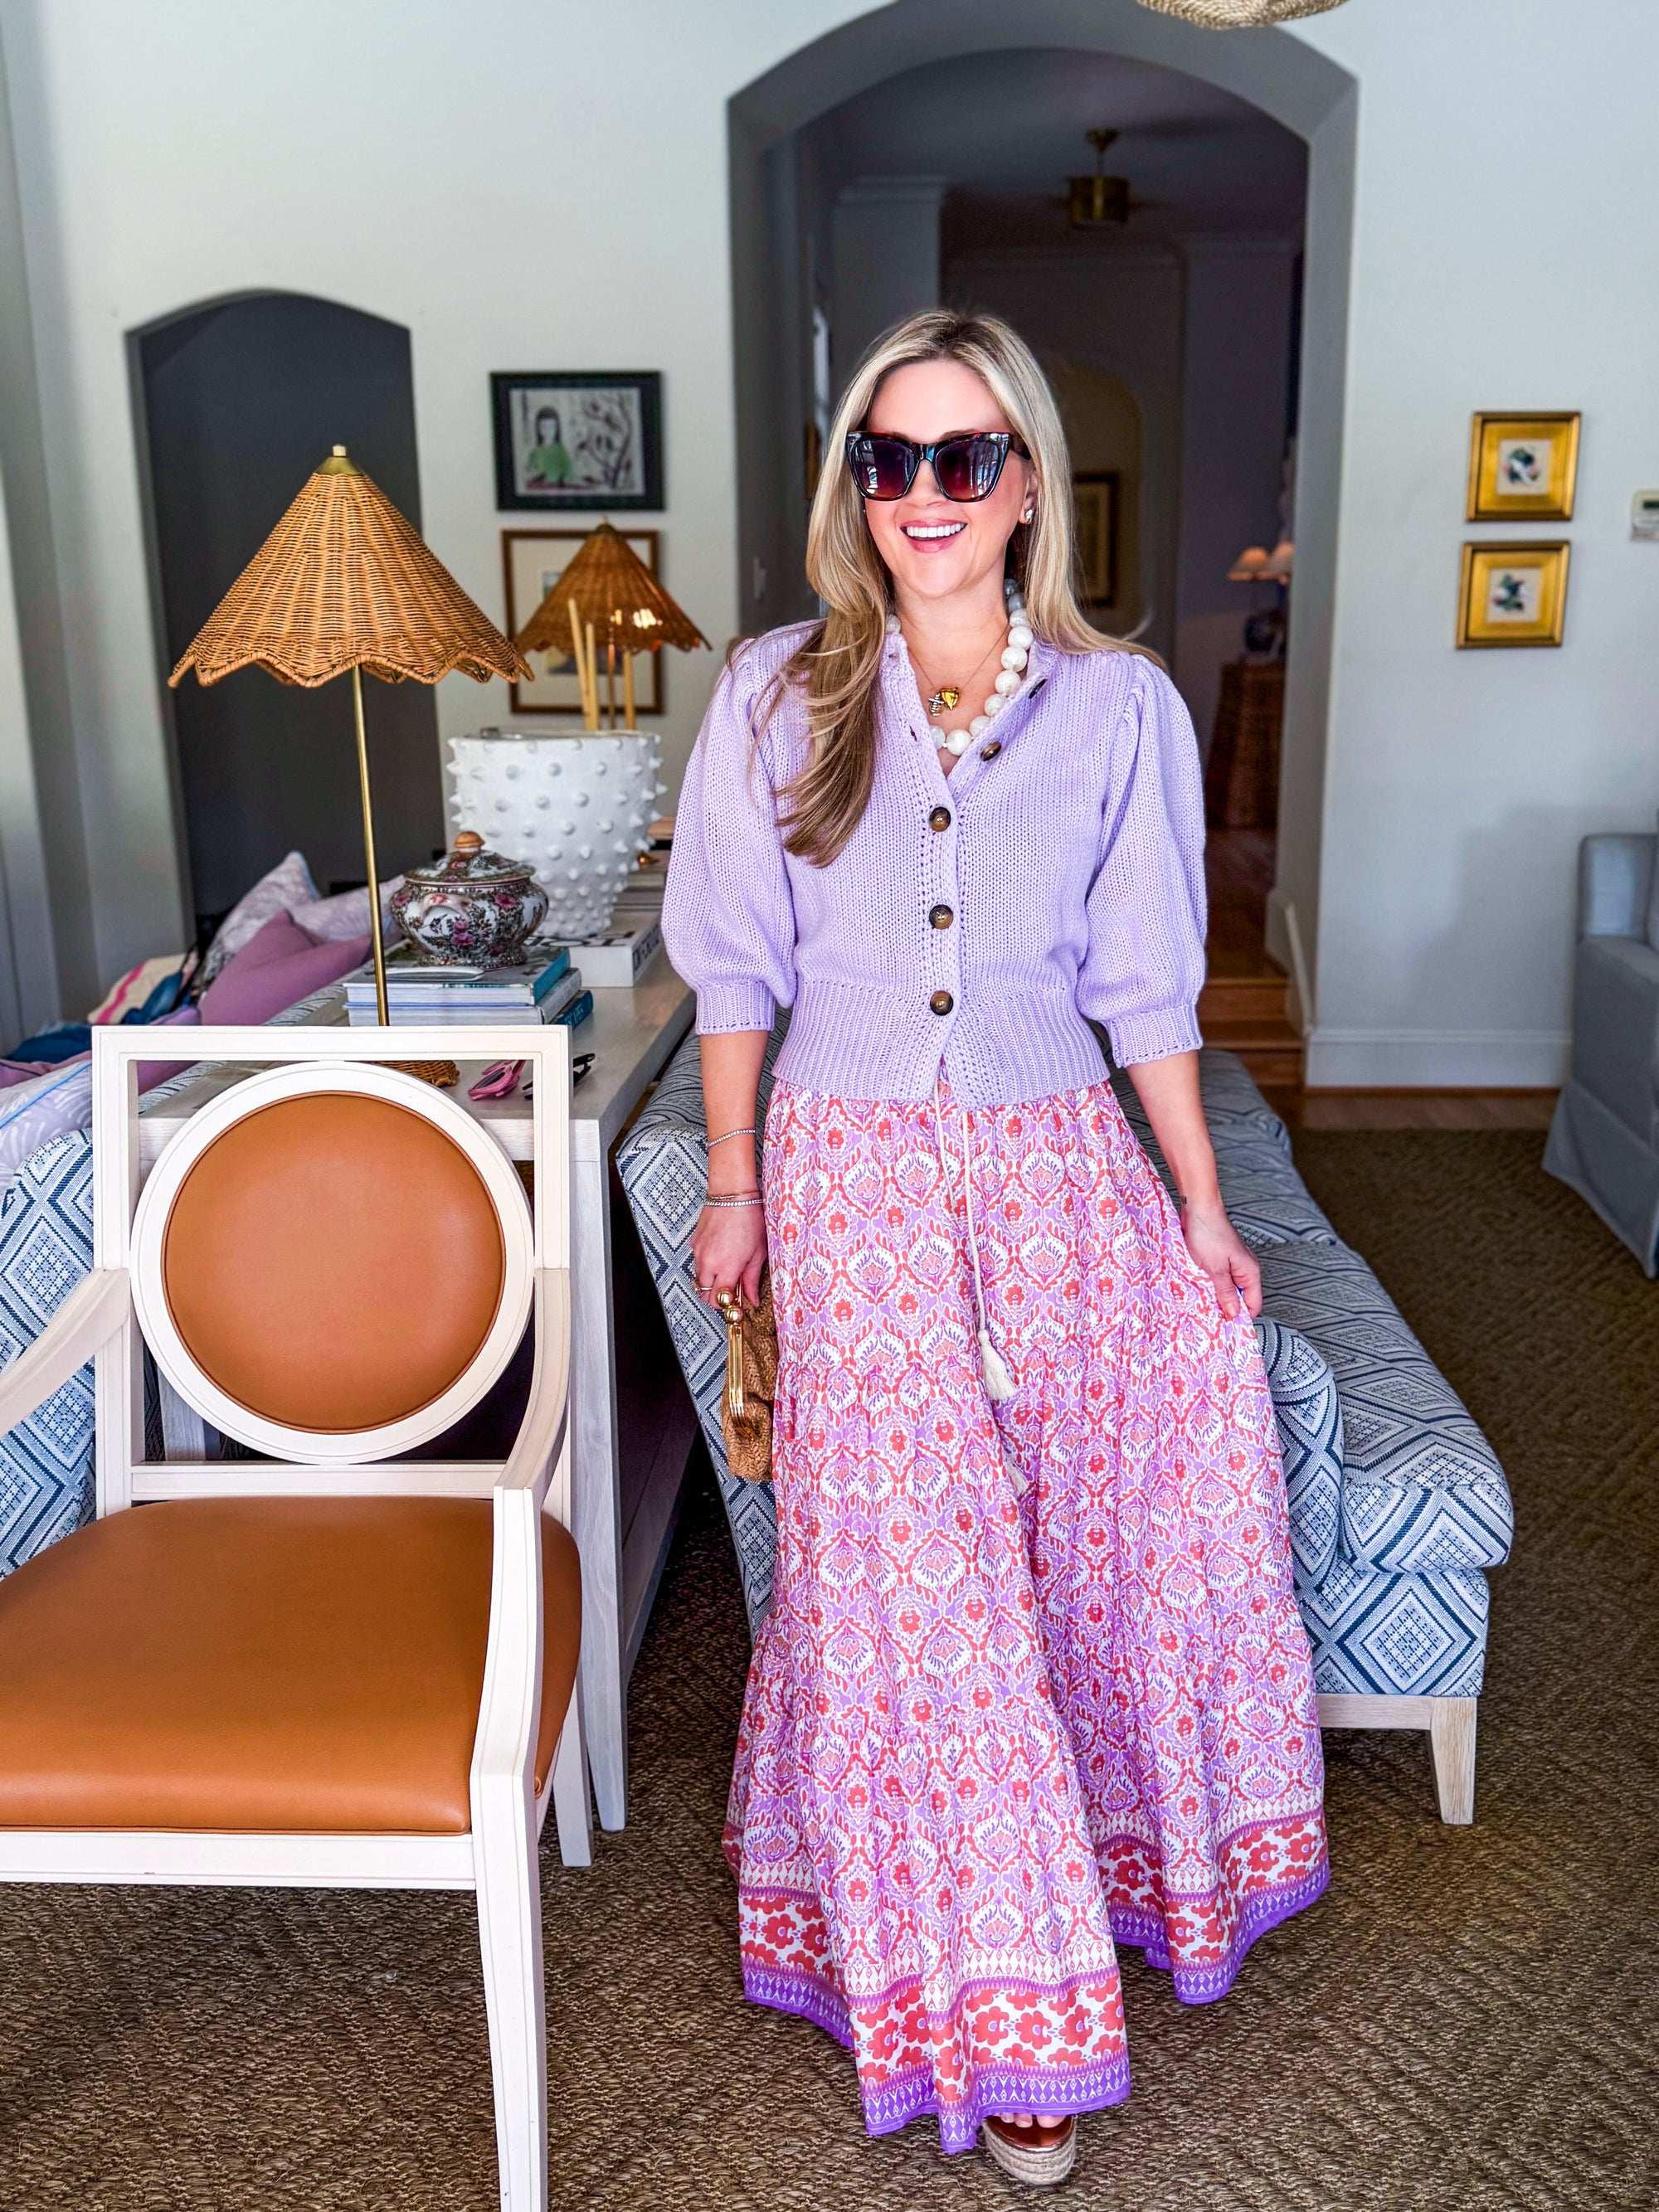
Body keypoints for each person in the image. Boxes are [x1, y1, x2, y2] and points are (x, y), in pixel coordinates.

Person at [661, 310, 1326, 2190]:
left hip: (1059, 1178)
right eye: (891, 458)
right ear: (854, 486)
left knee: (1096, 1535)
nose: (925, 494)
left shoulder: (1122, 710)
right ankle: (1002, 2005)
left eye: (966, 457)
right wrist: (734, 1185)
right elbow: (736, 969)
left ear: (1027, 483)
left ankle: (1087, 1873)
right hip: (853, 1183)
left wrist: (1202, 1211)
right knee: (919, 1583)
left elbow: (1146, 992)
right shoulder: (777, 693)